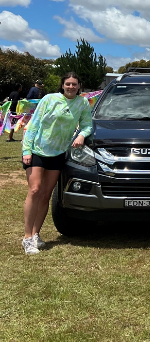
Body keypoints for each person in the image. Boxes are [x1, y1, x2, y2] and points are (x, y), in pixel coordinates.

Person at [21, 72, 93, 254]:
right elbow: (33, 125)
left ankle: (36, 234)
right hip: (37, 150)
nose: (71, 87)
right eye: (68, 84)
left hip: (58, 153)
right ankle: (27, 237)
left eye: (74, 84)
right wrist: (26, 150)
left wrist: (82, 135)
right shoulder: (49, 99)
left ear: (79, 86)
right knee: (35, 190)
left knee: (46, 195)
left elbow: (87, 125)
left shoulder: (82, 103)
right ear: (62, 85)